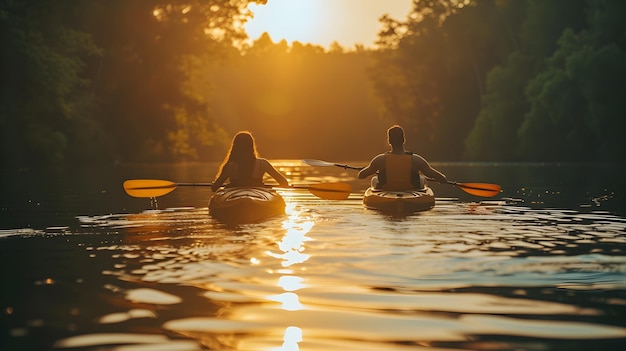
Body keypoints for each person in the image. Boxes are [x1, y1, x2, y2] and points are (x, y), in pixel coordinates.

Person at [358, 125, 447, 190]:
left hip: (387, 190)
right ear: (404, 140)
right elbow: (441, 178)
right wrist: (442, 179)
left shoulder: (380, 160)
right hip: (411, 190)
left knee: (374, 179)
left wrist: (367, 169)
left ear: (389, 141)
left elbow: (361, 176)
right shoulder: (416, 160)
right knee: (422, 179)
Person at [212, 131, 289, 191]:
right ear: (251, 146)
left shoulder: (231, 166)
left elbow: (214, 188)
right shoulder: (263, 164)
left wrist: (222, 185)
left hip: (234, 194)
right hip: (259, 193)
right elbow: (284, 183)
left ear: (235, 148)